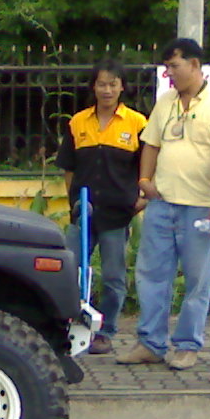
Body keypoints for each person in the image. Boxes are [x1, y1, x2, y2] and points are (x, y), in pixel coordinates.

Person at [117, 38, 210, 370]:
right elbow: (151, 144)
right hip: (162, 204)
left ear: (195, 65)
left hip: (201, 206)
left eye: (174, 66)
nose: (169, 73)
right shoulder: (165, 102)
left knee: (197, 280)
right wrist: (144, 181)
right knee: (151, 275)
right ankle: (151, 343)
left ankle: (187, 345)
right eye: (166, 67)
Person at [57, 59, 146, 354]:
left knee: (113, 277)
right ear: (93, 87)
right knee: (70, 271)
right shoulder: (78, 122)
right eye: (101, 84)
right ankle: (68, 326)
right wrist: (73, 202)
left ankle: (105, 332)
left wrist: (141, 199)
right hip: (83, 212)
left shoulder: (137, 123)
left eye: (113, 84)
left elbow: (148, 167)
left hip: (117, 215)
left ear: (122, 87)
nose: (107, 90)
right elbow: (69, 168)